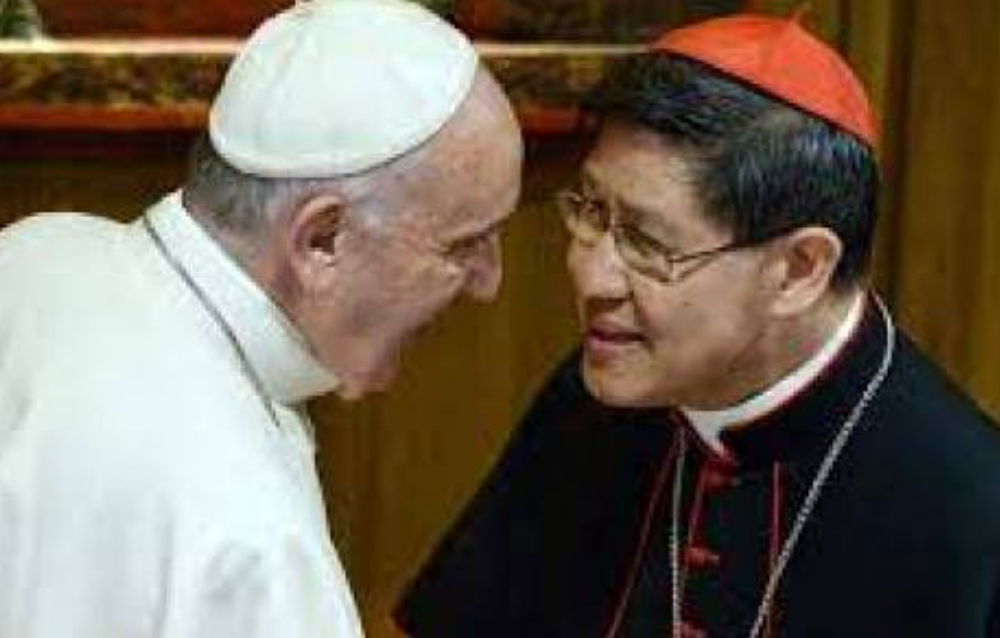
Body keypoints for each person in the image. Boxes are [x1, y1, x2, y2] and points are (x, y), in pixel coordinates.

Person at [395, 10, 1000, 638]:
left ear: (799, 269)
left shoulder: (970, 510)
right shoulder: (590, 403)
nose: (592, 277)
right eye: (592, 212)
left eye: (647, 243)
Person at [0, 0, 522, 636]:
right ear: (322, 240)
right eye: (463, 244)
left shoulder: (35, 251)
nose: (489, 285)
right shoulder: (253, 545)